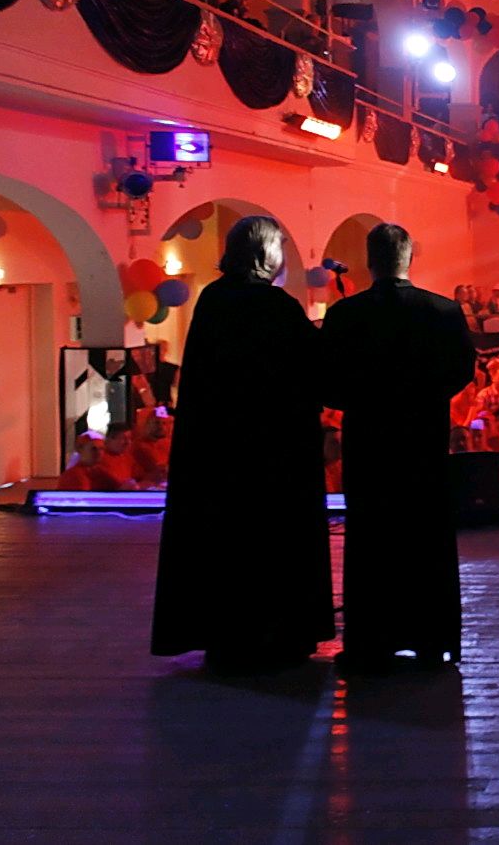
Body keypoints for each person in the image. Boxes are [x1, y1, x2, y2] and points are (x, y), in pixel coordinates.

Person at [151, 216, 332, 671]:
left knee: (225, 546)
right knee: (272, 546)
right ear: (264, 253)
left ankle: (226, 635)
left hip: (219, 452)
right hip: (275, 454)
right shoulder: (276, 306)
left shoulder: (213, 301)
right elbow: (314, 371)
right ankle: (278, 633)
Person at [321, 223, 477, 672]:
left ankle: (371, 641)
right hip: (423, 442)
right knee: (426, 536)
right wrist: (427, 398)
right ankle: (431, 639)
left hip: (369, 443)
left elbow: (326, 380)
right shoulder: (443, 311)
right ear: (409, 260)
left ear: (370, 262)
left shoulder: (346, 315)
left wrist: (362, 402)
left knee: (372, 540)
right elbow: (462, 370)